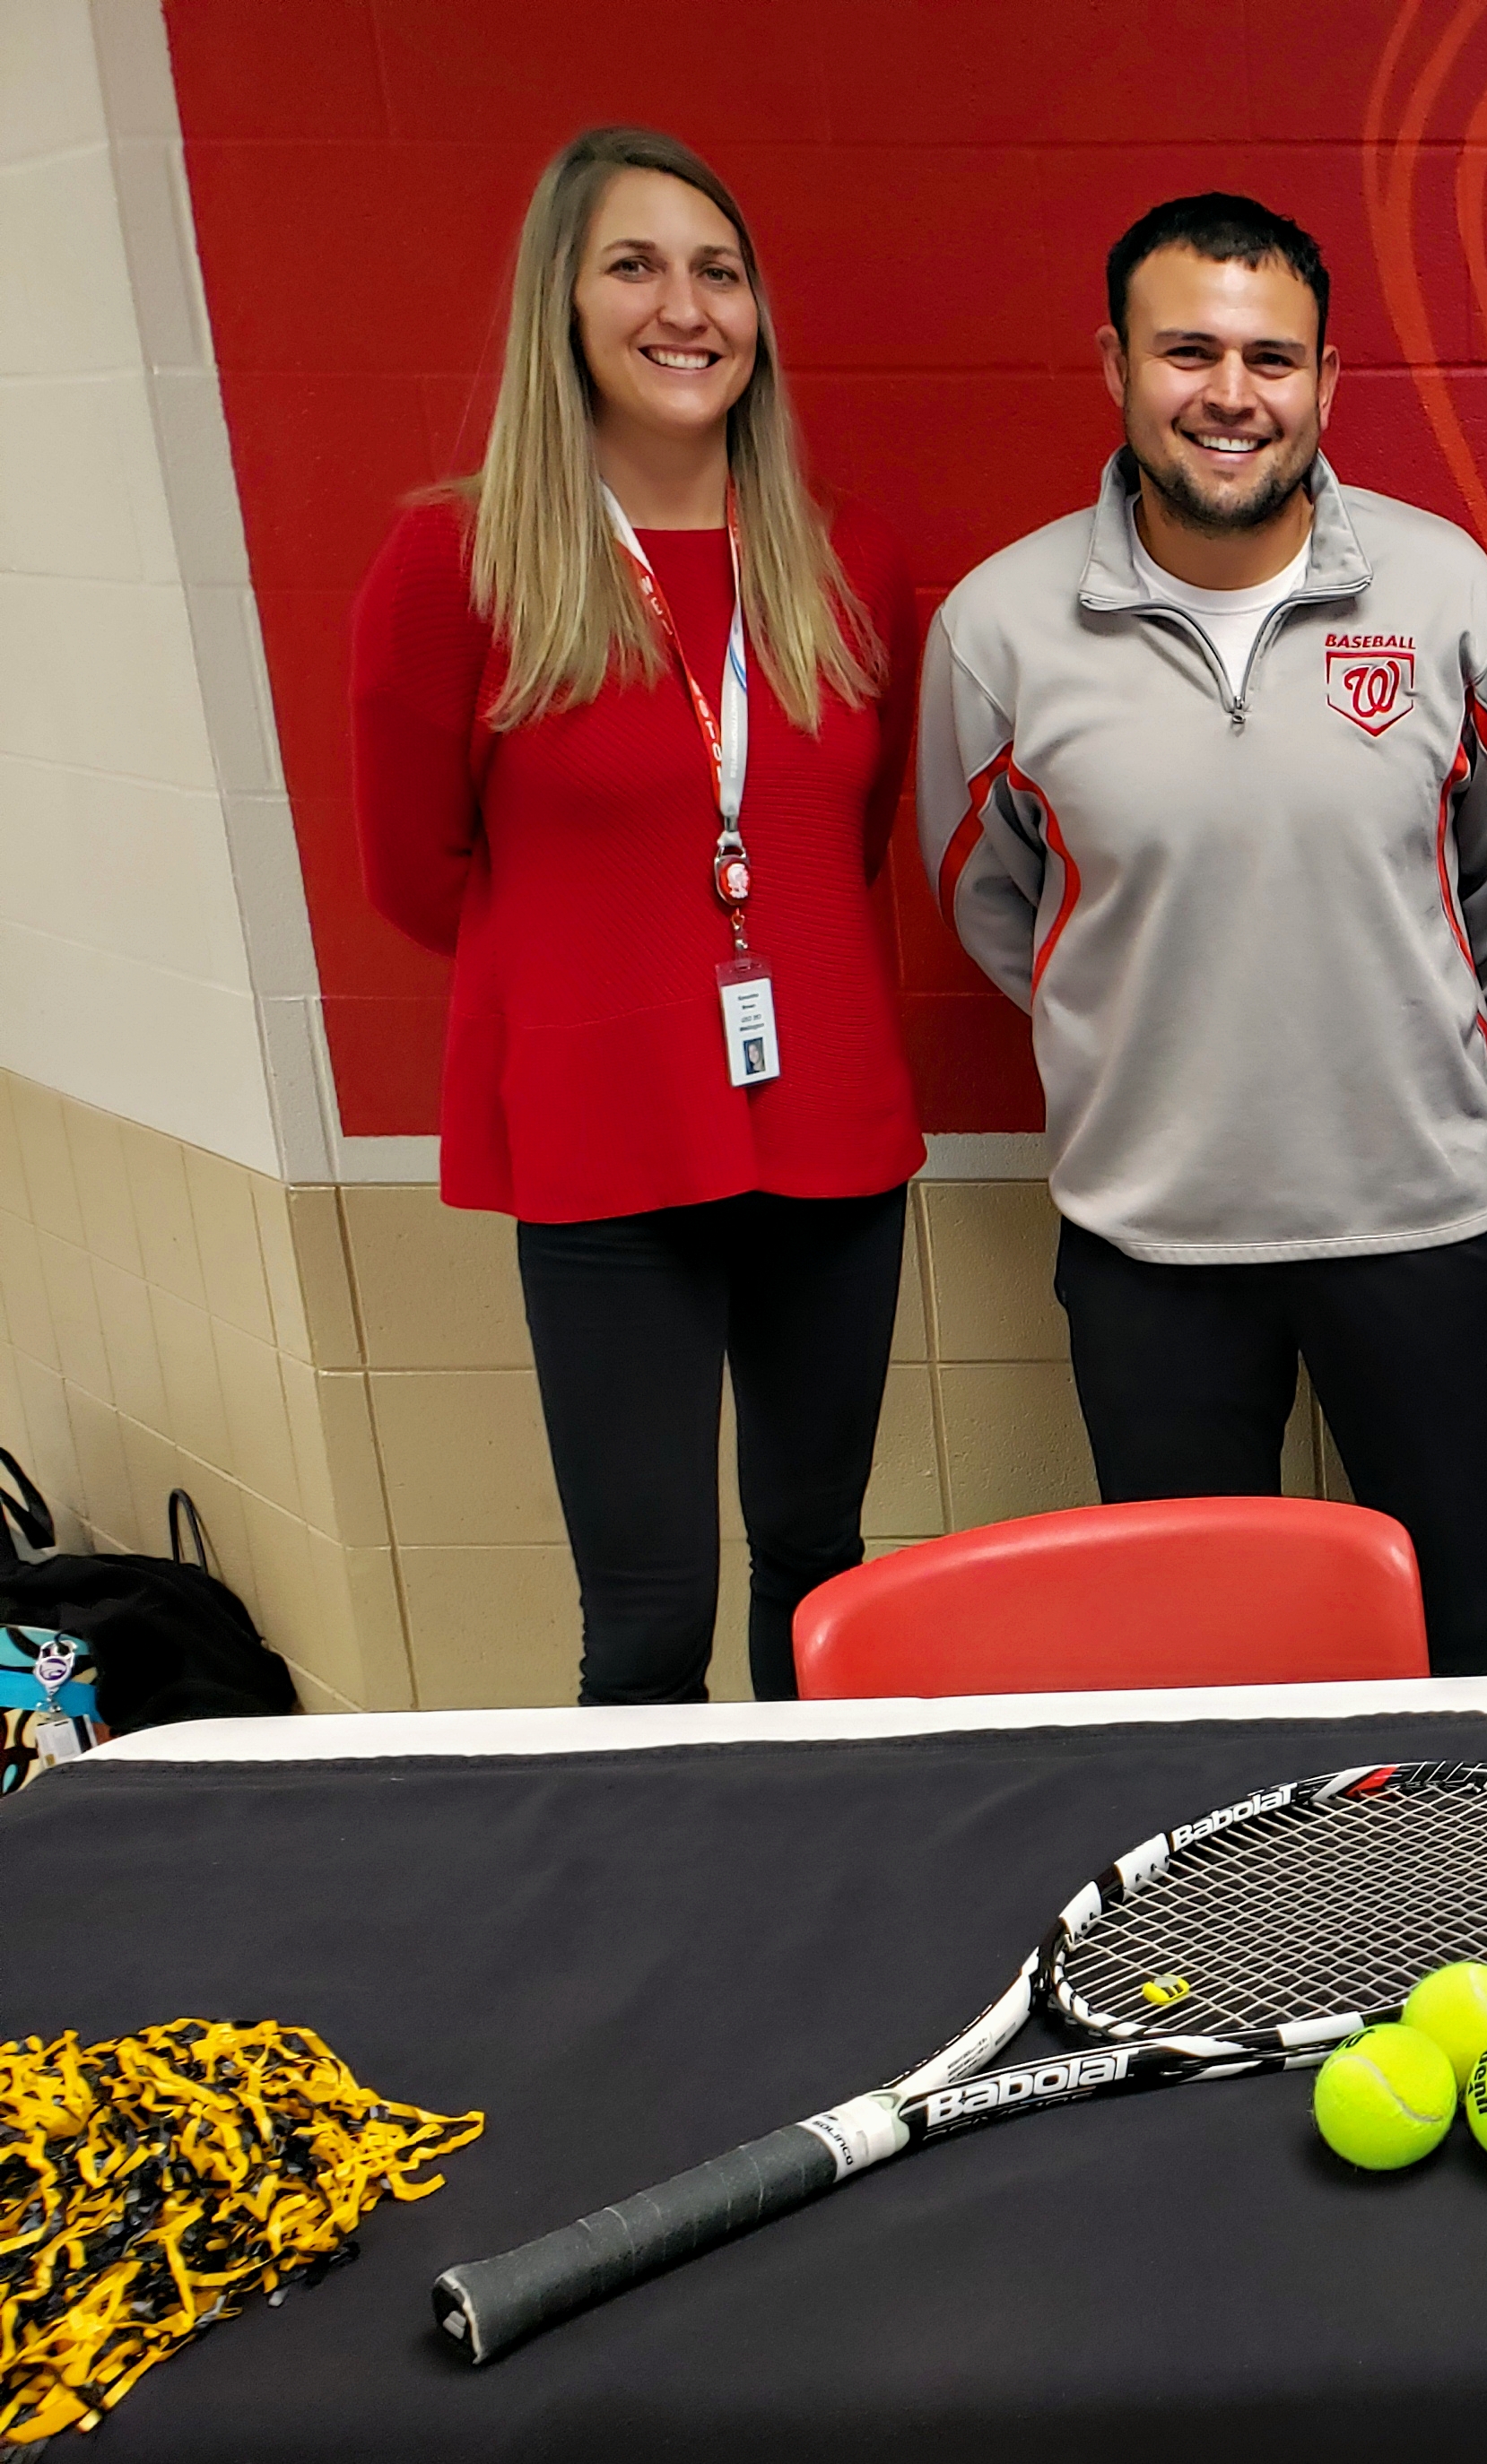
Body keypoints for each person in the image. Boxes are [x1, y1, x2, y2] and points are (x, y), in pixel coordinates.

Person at [921, 195, 1487, 1675]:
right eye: (1186, 350)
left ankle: (1481, 1903)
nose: (1229, 394)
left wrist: (1391, 999)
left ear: (1326, 385)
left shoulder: (1445, 592)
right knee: (1200, 1665)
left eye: (1271, 358)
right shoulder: (999, 628)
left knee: (1471, 1638)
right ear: (1115, 366)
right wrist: (1153, 1014)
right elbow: (996, 900)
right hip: (1152, 1237)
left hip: (1418, 1220)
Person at [351, 127, 918, 1705]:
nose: (687, 307)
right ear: (566, 305)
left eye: (718, 271)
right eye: (636, 264)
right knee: (650, 1614)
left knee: (820, 1571)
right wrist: (618, 987)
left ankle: (812, 1894)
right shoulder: (454, 561)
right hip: (606, 1146)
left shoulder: (849, 558)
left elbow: (842, 841)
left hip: (826, 1135)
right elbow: (417, 873)